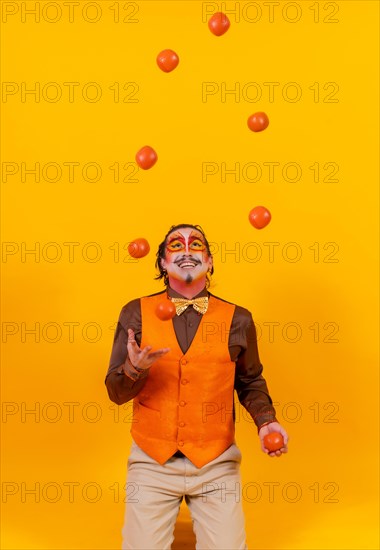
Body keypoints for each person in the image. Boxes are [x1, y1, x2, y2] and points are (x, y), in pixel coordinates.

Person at [105, 223, 289, 550]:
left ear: (210, 260)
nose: (187, 250)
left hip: (216, 464)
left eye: (196, 245)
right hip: (152, 462)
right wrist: (134, 368)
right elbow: (115, 393)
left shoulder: (239, 319)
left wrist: (266, 421)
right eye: (176, 245)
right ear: (162, 262)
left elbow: (249, 380)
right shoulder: (135, 313)